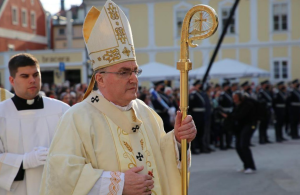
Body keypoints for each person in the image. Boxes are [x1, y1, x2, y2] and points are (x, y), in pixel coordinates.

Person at [39, 2, 196, 195]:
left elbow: (162, 159)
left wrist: (178, 141)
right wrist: (117, 184)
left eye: (135, 70)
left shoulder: (146, 112)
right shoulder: (77, 118)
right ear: (100, 78)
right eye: (124, 72)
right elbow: (62, 176)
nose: (134, 78)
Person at [0, 53, 69, 195]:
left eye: (36, 75)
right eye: (25, 76)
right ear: (12, 80)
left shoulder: (62, 110)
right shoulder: (1, 114)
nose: (32, 80)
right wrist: (23, 161)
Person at [221, 91, 257, 174]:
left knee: (244, 145)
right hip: (240, 127)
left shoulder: (247, 105)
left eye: (236, 98)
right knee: (238, 146)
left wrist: (229, 116)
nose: (234, 100)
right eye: (233, 98)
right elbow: (235, 114)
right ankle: (245, 165)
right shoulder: (237, 105)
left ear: (241, 98)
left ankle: (250, 166)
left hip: (249, 125)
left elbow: (240, 116)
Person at [189, 80, 205, 154]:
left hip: (202, 114)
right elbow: (190, 106)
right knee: (194, 132)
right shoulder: (193, 95)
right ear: (195, 86)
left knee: (201, 132)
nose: (200, 86)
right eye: (199, 85)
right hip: (196, 115)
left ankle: (201, 147)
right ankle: (193, 148)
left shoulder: (201, 94)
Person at [218, 81, 234, 150]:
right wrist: (222, 113)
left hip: (230, 114)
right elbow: (219, 106)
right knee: (223, 131)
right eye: (227, 86)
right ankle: (222, 145)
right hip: (224, 114)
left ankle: (228, 143)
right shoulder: (222, 95)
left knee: (229, 130)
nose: (229, 87)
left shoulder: (230, 94)